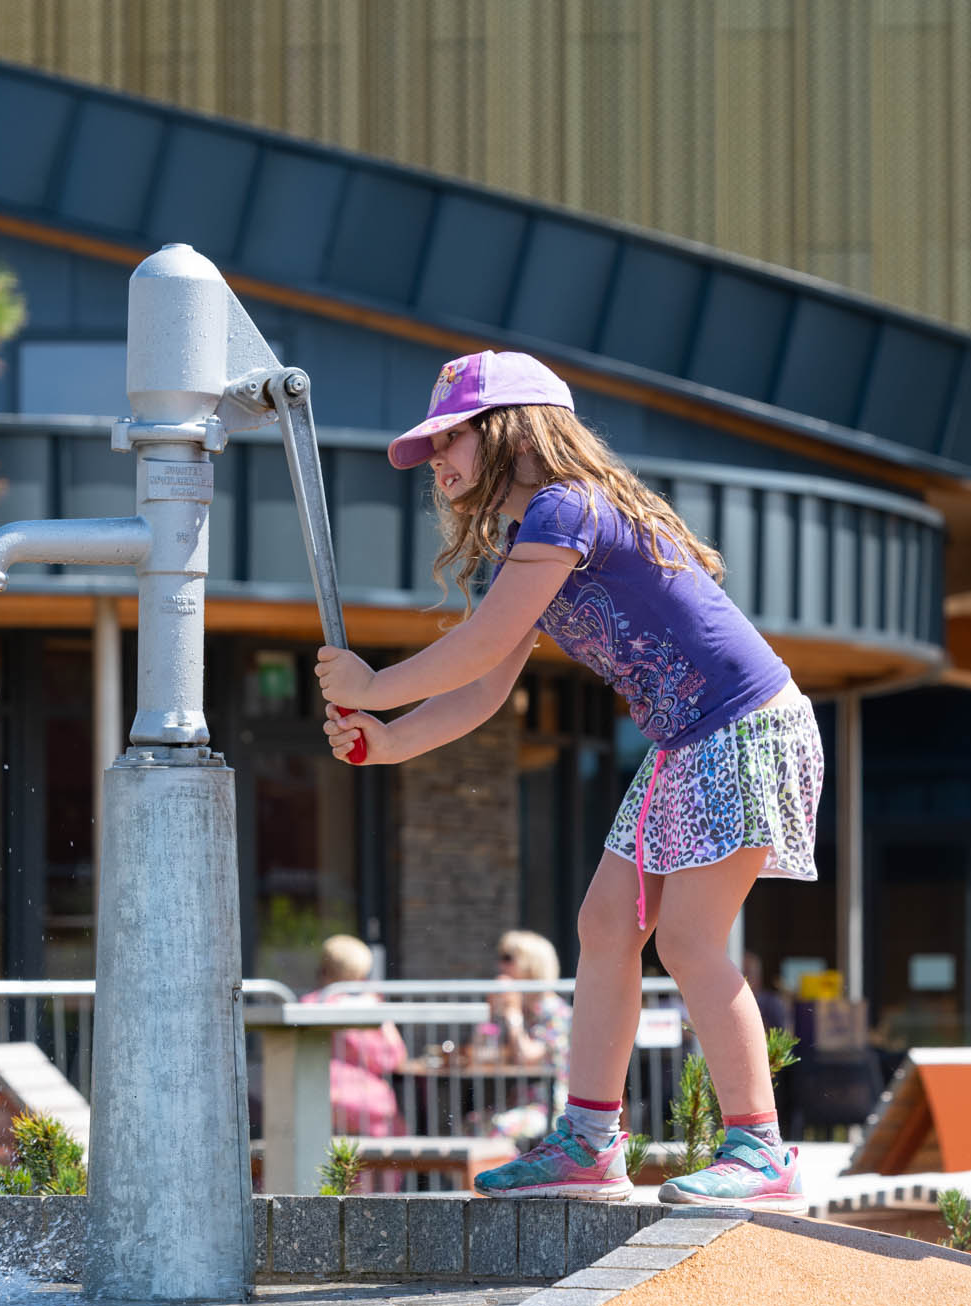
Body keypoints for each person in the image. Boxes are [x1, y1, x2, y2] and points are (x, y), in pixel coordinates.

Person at [317, 350, 824, 1206]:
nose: (435, 459)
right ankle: (589, 1142)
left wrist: (373, 688)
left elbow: (477, 649)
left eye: (449, 437)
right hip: (686, 739)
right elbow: (484, 689)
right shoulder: (534, 535)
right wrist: (391, 741)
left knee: (689, 940)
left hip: (741, 726)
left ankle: (762, 1151)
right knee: (604, 925)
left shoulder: (566, 507)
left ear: (510, 430)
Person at [297, 934, 406, 1137]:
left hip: (322, 1096)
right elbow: (395, 1057)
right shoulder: (371, 1005)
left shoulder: (312, 1003)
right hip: (369, 1101)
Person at [480, 929, 570, 1142]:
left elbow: (528, 1057)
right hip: (516, 1101)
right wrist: (490, 1013)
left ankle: (506, 1176)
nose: (501, 966)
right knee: (471, 1125)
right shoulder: (523, 1008)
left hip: (549, 1107)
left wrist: (512, 1014)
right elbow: (484, 1053)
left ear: (531, 965)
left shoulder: (553, 1011)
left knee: (497, 1129)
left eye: (508, 959)